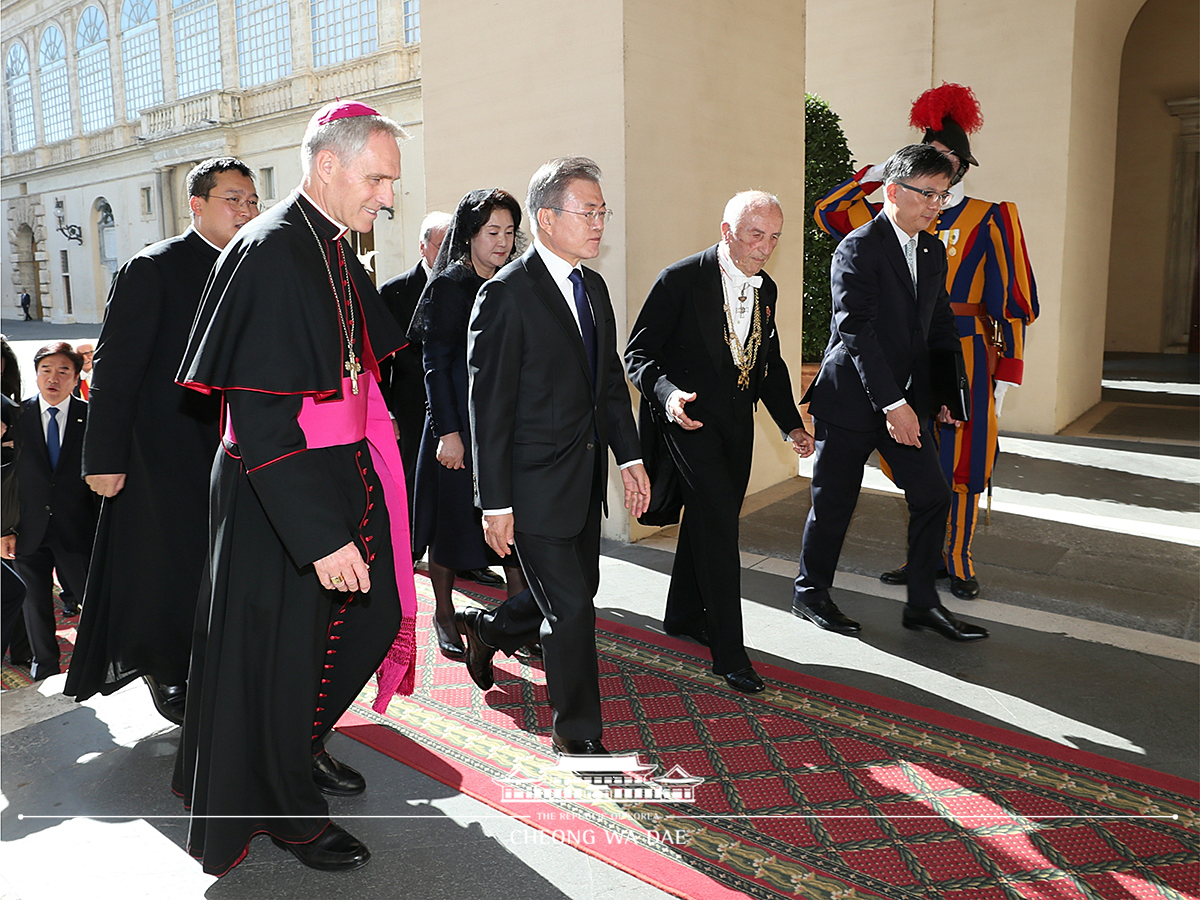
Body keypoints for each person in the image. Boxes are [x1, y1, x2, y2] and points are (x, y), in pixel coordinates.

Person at [172, 100, 416, 876]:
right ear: (328, 166)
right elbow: (260, 424)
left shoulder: (333, 243)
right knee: (280, 660)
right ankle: (287, 814)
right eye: (377, 178)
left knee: (368, 619)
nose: (387, 195)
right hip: (274, 492)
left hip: (331, 475)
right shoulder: (273, 250)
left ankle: (299, 744)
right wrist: (321, 536)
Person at [813, 83, 1038, 599]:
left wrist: (1007, 370)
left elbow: (1013, 300)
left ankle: (955, 559)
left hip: (964, 353)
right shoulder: (888, 216)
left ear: (961, 166)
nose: (941, 176)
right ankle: (920, 564)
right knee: (918, 468)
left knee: (962, 463)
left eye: (949, 164)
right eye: (930, 162)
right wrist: (876, 176)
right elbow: (830, 215)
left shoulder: (991, 214)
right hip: (894, 359)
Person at [459, 157, 650, 757]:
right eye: (586, 211)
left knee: (576, 592)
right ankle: (577, 731)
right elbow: (486, 409)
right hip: (531, 485)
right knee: (571, 612)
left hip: (584, 476)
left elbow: (609, 384)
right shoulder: (505, 295)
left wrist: (630, 457)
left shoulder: (592, 287)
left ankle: (488, 629)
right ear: (546, 218)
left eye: (602, 211)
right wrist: (494, 502)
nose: (598, 223)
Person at [64, 158, 259, 725]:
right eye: (232, 199)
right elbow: (115, 367)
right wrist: (102, 457)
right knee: (170, 564)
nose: (246, 209)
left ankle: (214, 662)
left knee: (221, 565)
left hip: (233, 445)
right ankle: (169, 668)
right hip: (162, 449)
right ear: (195, 206)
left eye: (251, 200)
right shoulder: (153, 267)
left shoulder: (251, 267)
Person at [794, 144, 989, 643]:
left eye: (941, 196)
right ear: (893, 191)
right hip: (853, 400)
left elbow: (939, 323)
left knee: (932, 496)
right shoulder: (857, 247)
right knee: (834, 502)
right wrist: (893, 405)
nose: (935, 205)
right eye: (926, 193)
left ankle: (922, 604)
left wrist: (946, 390)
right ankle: (810, 593)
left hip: (908, 401)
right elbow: (857, 332)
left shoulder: (930, 250)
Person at [626, 191, 813, 694]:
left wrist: (790, 424)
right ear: (727, 230)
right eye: (756, 235)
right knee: (720, 532)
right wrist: (666, 397)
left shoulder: (766, 289)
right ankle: (730, 652)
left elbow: (767, 364)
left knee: (714, 518)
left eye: (774, 237)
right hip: (687, 423)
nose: (765, 247)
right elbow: (637, 355)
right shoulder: (681, 279)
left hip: (737, 425)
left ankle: (683, 614)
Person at [407, 189, 530, 659]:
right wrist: (448, 434)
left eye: (509, 233)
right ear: (470, 235)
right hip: (456, 429)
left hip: (504, 429)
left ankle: (513, 622)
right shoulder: (448, 286)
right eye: (491, 232)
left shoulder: (515, 281)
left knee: (513, 530)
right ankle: (442, 612)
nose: (502, 243)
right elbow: (435, 364)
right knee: (452, 526)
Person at [10, 343, 98, 679]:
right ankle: (44, 667)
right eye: (46, 369)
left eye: (63, 371)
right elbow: (7, 479)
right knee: (35, 604)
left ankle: (92, 661)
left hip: (77, 527)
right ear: (36, 375)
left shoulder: (90, 416)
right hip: (27, 528)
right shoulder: (17, 417)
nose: (53, 378)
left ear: (76, 378)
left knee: (89, 599)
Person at [378, 210, 451, 528]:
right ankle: (407, 548)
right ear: (423, 247)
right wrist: (387, 413)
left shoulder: (469, 286)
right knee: (411, 478)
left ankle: (461, 558)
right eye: (440, 245)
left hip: (453, 402)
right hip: (410, 406)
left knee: (453, 485)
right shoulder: (395, 291)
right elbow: (380, 360)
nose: (447, 253)